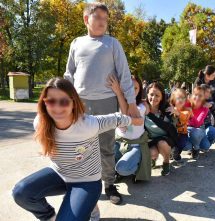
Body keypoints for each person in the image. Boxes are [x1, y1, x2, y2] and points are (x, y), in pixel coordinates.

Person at [12, 78, 142, 221]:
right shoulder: (40, 123)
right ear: (44, 103)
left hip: (87, 181)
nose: (57, 107)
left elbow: (116, 118)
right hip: (59, 174)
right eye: (51, 101)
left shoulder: (88, 124)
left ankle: (90, 204)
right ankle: (49, 216)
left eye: (64, 101)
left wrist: (135, 120)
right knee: (21, 193)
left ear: (73, 102)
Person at [64, 2, 139, 204]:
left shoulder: (112, 44)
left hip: (106, 101)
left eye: (106, 19)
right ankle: (80, 183)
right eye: (98, 17)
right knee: (79, 144)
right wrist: (65, 97)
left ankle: (109, 184)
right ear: (86, 19)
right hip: (80, 102)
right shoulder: (76, 43)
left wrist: (131, 103)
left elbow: (124, 74)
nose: (103, 22)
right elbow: (69, 73)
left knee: (105, 146)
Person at [107, 75, 151, 183]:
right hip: (118, 142)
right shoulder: (114, 102)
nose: (131, 91)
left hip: (135, 145)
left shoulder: (141, 106)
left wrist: (118, 93)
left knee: (122, 168)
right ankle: (122, 167)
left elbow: (125, 116)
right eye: (128, 87)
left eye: (135, 88)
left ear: (140, 89)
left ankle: (135, 168)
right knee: (105, 160)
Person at [145, 82, 178, 176]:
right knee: (151, 152)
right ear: (147, 94)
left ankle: (166, 162)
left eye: (157, 95)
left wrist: (176, 112)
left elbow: (168, 127)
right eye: (151, 94)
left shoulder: (166, 108)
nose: (154, 98)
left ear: (162, 97)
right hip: (151, 139)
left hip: (165, 139)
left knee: (162, 143)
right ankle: (153, 158)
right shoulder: (143, 107)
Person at [194, 65, 215, 136]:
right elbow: (195, 95)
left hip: (213, 102)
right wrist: (204, 103)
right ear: (207, 74)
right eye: (213, 74)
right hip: (201, 102)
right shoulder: (199, 81)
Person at [168, 88, 193, 165]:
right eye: (178, 98)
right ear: (173, 100)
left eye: (183, 97)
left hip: (182, 132)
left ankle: (175, 153)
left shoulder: (188, 109)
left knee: (182, 143)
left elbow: (184, 116)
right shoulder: (170, 109)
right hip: (171, 133)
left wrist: (176, 112)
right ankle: (174, 154)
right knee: (172, 144)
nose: (181, 99)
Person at [185, 86, 208, 159]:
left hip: (198, 129)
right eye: (195, 94)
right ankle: (191, 146)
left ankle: (196, 148)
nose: (197, 97)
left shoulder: (205, 108)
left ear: (204, 97)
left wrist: (191, 113)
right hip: (187, 128)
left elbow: (197, 124)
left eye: (200, 95)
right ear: (192, 95)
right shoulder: (186, 104)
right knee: (185, 146)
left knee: (205, 146)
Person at [200, 84, 215, 151]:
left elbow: (213, 104)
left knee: (214, 132)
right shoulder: (195, 99)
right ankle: (193, 147)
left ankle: (206, 144)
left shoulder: (209, 100)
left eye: (209, 92)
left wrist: (210, 105)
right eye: (207, 92)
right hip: (196, 126)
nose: (209, 93)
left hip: (206, 125)